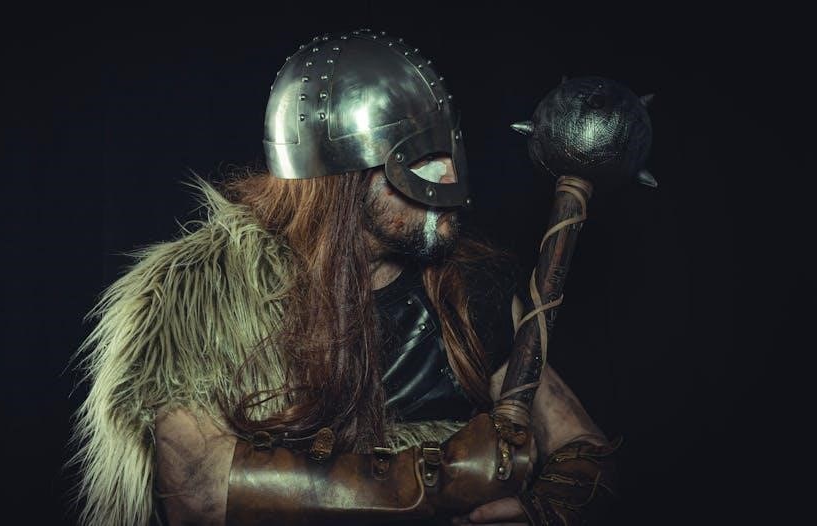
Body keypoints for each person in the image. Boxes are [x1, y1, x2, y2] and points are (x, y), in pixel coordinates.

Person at [70, 29, 618, 526]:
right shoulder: (202, 292)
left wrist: (547, 507)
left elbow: (582, 444)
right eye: (421, 160)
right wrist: (442, 479)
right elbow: (200, 492)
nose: (449, 178)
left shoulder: (467, 287)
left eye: (450, 152)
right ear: (342, 178)